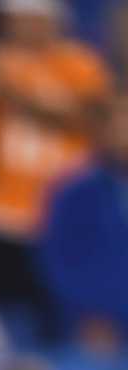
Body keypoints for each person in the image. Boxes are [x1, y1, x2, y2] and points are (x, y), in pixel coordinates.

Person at [0, 0, 110, 324]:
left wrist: (12, 92)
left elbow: (92, 125)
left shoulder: (80, 64)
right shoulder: (0, 63)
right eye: (12, 20)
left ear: (50, 21)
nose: (17, 27)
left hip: (59, 210)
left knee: (57, 311)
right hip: (3, 210)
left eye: (26, 19)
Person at [38, 91, 128, 352]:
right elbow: (58, 264)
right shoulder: (74, 191)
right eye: (121, 121)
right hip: (95, 331)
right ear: (103, 131)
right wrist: (86, 317)